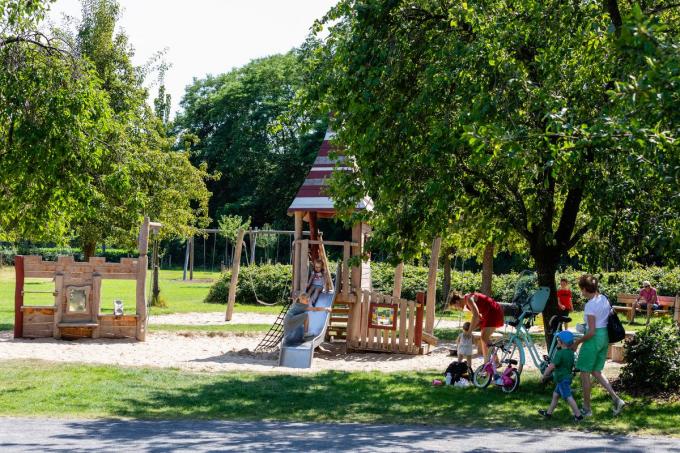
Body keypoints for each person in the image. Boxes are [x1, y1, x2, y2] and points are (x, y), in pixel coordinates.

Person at [572, 274, 626, 417]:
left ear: (585, 289)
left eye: (581, 289)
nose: (581, 292)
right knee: (596, 372)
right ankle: (616, 399)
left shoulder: (590, 305)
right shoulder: (604, 298)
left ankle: (587, 409)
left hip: (593, 340)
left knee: (584, 373)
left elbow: (591, 332)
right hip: (604, 338)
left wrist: (576, 343)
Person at [538, 330, 584, 422]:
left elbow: (551, 366)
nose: (557, 341)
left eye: (558, 340)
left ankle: (578, 416)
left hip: (562, 379)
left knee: (568, 397)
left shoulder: (559, 353)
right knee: (555, 395)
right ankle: (548, 413)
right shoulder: (570, 353)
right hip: (566, 378)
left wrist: (544, 375)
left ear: (561, 342)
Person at [449, 291, 504, 364]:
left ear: (457, 301)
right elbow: (479, 318)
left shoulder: (468, 299)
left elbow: (476, 316)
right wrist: (469, 329)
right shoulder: (468, 304)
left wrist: (469, 332)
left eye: (456, 307)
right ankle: (486, 363)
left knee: (484, 337)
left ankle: (496, 361)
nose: (458, 308)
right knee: (483, 339)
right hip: (488, 314)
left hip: (493, 312)